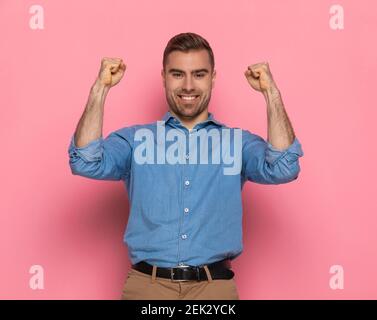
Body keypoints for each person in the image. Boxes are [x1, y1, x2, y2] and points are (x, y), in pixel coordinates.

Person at [68, 32, 304, 300]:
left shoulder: (236, 143)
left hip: (214, 290)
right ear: (164, 77)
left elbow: (284, 167)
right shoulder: (135, 140)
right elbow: (85, 161)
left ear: (213, 78)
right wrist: (100, 88)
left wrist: (271, 93)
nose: (188, 85)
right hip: (147, 289)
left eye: (199, 74)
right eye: (178, 74)